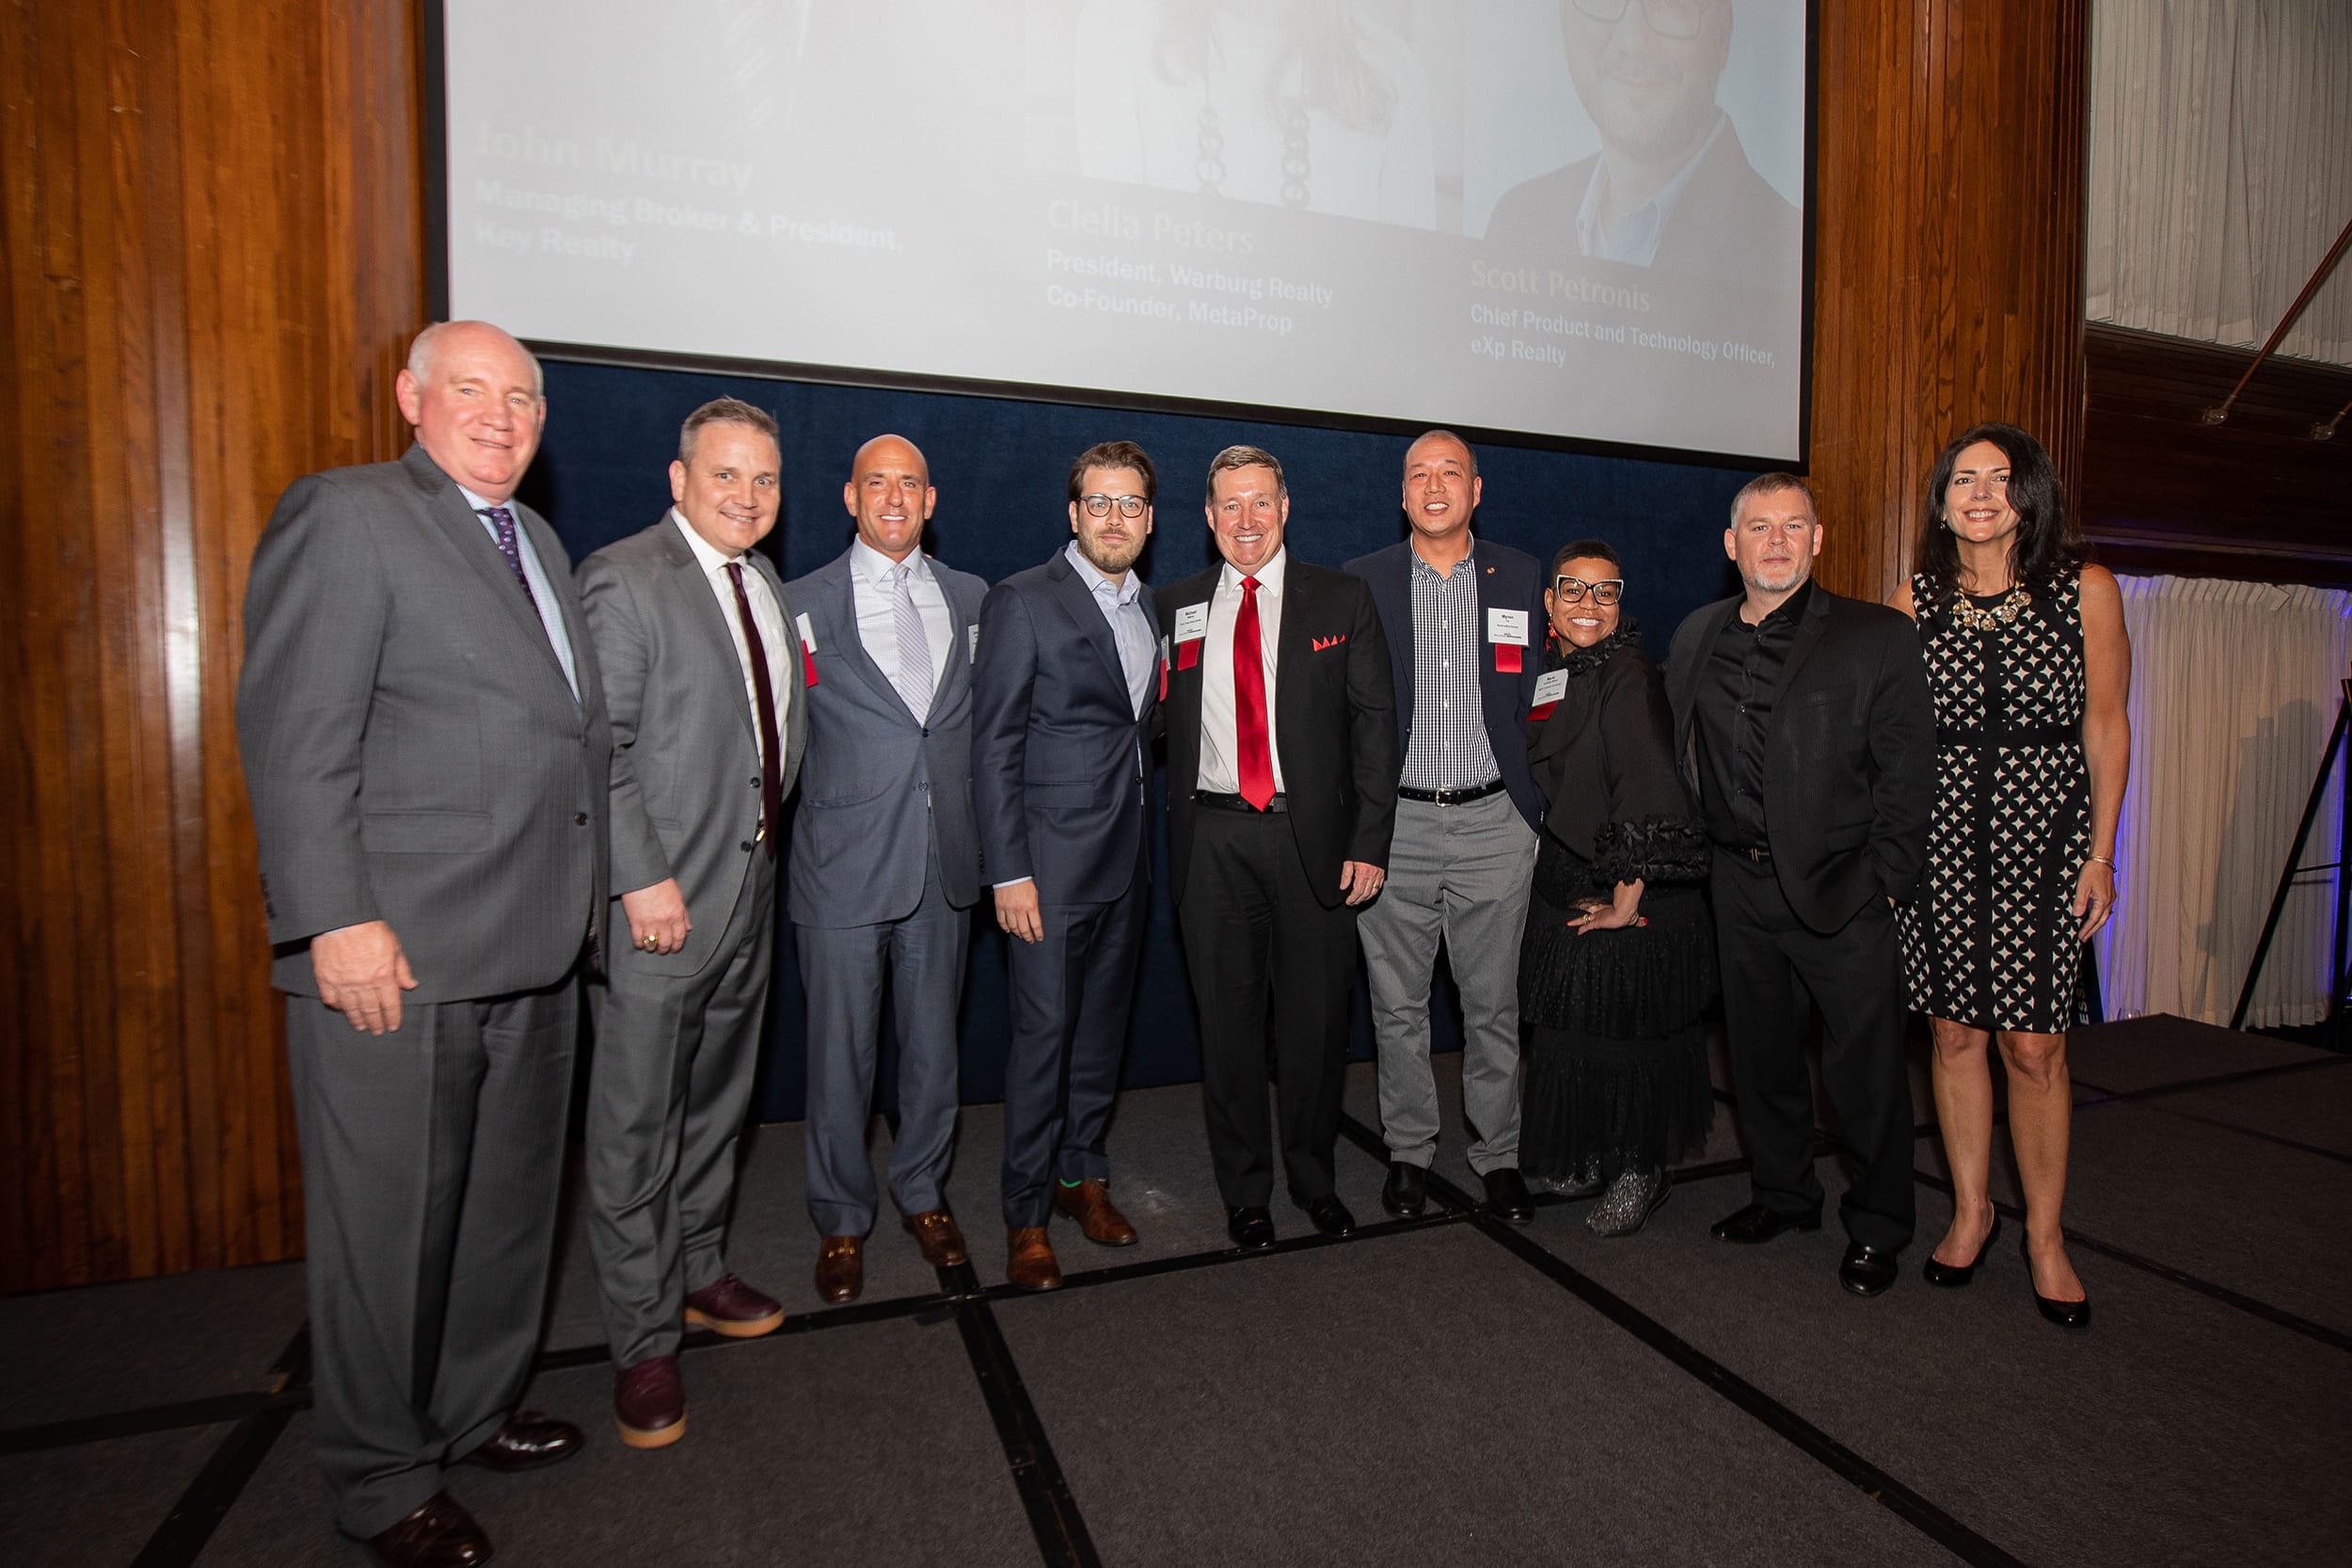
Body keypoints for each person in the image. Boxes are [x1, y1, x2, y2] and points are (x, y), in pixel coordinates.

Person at [236, 321, 608, 1567]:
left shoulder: (540, 544)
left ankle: (473, 1407)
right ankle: (381, 1474)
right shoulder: (345, 517)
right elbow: (297, 735)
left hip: (536, 941)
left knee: (506, 1214)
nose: (501, 416)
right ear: (410, 396)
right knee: (388, 1232)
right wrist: (332, 916)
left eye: (522, 397)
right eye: (470, 390)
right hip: (399, 953)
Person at [575, 398, 808, 1449]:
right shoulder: (624, 578)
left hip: (748, 893)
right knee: (634, 1128)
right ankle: (640, 1338)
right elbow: (604, 751)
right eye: (726, 476)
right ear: (679, 480)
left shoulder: (759, 579)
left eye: (763, 480)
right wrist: (641, 879)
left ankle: (700, 1264)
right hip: (658, 909)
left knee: (718, 1101)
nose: (747, 497)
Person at [1664, 473, 1933, 1297]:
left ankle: (1881, 1224)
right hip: (1736, 886)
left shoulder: (1877, 635)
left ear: (1818, 541)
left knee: (1865, 1074)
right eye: (1758, 527)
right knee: (1761, 1059)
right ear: (1730, 544)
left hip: (1843, 892)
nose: (1775, 541)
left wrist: (1884, 880)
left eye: (1793, 527)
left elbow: (1909, 770)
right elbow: (1685, 755)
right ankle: (1783, 1195)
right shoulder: (1696, 634)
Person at [1893, 424, 2130, 1331]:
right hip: (1940, 842)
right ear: (1942, 498)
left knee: (2034, 1046)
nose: (1981, 493)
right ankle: (1971, 1210)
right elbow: (1893, 736)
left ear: (2029, 497)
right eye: (1964, 478)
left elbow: (2107, 726)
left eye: (2001, 479)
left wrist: (2103, 851)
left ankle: (2045, 1235)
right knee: (1953, 1036)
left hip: (2045, 843)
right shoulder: (1914, 599)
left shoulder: (2085, 591)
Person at [1159, 445, 1398, 1247]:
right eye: (1231, 505)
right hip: (1213, 841)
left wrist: (1370, 840)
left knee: (1315, 1025)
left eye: (1261, 502)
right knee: (1226, 1028)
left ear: (1287, 507)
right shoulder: (1175, 606)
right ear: (1208, 517)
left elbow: (1375, 731)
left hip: (1315, 843)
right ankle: (1246, 1191)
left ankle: (1313, 1177)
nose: (1247, 520)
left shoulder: (1343, 598)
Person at [785, 435, 989, 1306]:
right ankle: (840, 1216)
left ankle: (922, 1190)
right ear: (850, 496)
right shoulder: (796, 602)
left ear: (932, 499)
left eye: (910, 483)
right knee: (839, 1056)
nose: (895, 498)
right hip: (839, 867)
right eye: (879, 483)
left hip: (944, 864)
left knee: (935, 1047)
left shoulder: (976, 599)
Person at [972, 440, 1163, 1291]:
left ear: (1149, 520)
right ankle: (1024, 1215)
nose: (1115, 518)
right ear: (1073, 513)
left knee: (1099, 1043)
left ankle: (1083, 1180)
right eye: (1100, 502)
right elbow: (995, 744)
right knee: (1043, 1043)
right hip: (1044, 872)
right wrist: (1008, 869)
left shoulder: (1150, 606)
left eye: (1130, 504)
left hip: (1126, 862)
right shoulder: (1023, 600)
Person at [1343, 432, 1545, 1225]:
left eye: (1450, 473)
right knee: (1398, 1005)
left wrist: (1536, 813)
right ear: (1402, 495)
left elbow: (1545, 693)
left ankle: (1498, 1154)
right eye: (1418, 474)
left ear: (1476, 489)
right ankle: (1409, 1150)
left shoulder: (1522, 576)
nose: (1434, 486)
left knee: (1492, 1002)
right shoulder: (1364, 581)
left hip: (1496, 818)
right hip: (1398, 824)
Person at [1518, 539, 1714, 1234]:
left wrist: (1628, 898)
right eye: (1572, 589)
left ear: (1620, 603)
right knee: (1576, 1029)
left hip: (1632, 880)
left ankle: (1640, 1167)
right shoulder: (1555, 672)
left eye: (1605, 592)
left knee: (1628, 1035)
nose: (1588, 605)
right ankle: (1596, 1151)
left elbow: (1644, 782)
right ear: (1549, 601)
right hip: (1573, 870)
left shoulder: (1627, 672)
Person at [1482, 0, 1799, 286]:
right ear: (1564, 18)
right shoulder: (1517, 223)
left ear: (1722, 35)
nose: (1633, 42)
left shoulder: (1788, 258)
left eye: (1671, 4)